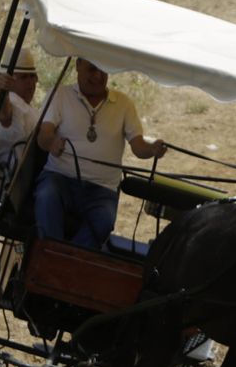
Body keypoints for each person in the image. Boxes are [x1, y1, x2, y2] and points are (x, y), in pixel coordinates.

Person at [34, 58, 167, 248]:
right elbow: (43, 135)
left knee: (104, 220)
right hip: (59, 178)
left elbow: (138, 146)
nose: (97, 76)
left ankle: (71, 261)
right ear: (78, 66)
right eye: (91, 69)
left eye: (103, 70)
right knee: (47, 196)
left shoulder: (123, 103)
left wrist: (152, 149)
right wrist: (52, 142)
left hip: (102, 190)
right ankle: (49, 253)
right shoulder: (60, 95)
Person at [0, 48, 40, 204]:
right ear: (9, 81)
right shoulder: (4, 101)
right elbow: (5, 117)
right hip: (10, 190)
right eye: (23, 77)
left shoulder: (28, 108)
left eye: (32, 76)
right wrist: (1, 91)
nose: (30, 82)